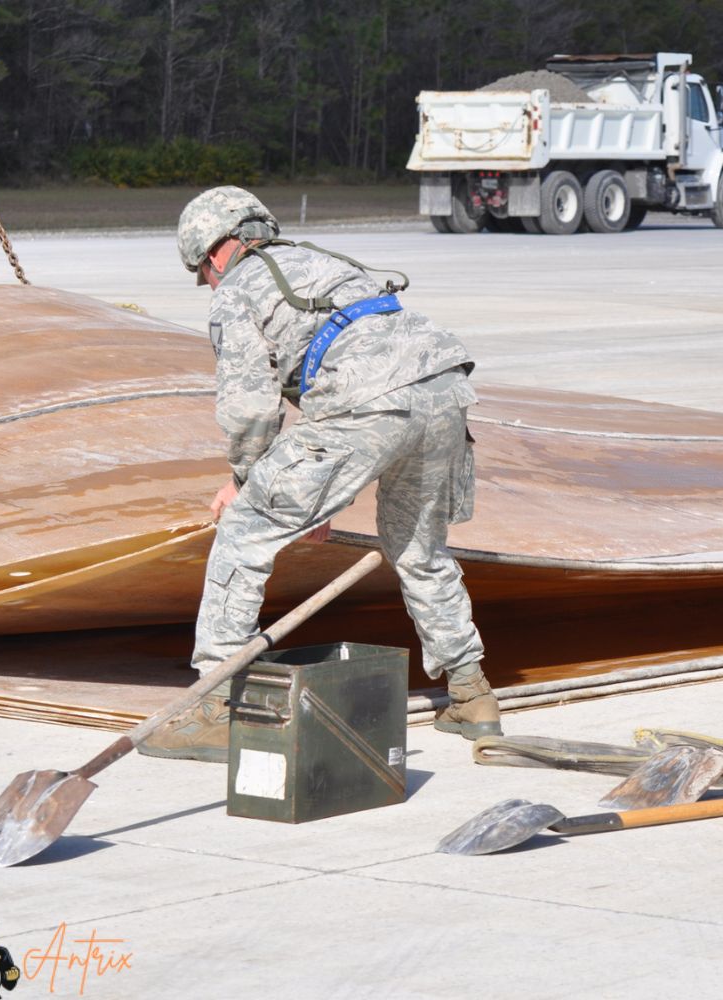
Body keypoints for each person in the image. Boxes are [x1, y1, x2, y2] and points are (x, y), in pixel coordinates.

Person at [140, 186, 499, 762]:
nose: (207, 284)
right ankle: (471, 694)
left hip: (370, 402)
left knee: (244, 530)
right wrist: (315, 501)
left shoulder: (238, 290)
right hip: (446, 389)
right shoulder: (321, 262)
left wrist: (245, 480)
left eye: (201, 273)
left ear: (212, 254)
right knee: (418, 548)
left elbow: (250, 408)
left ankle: (213, 707)